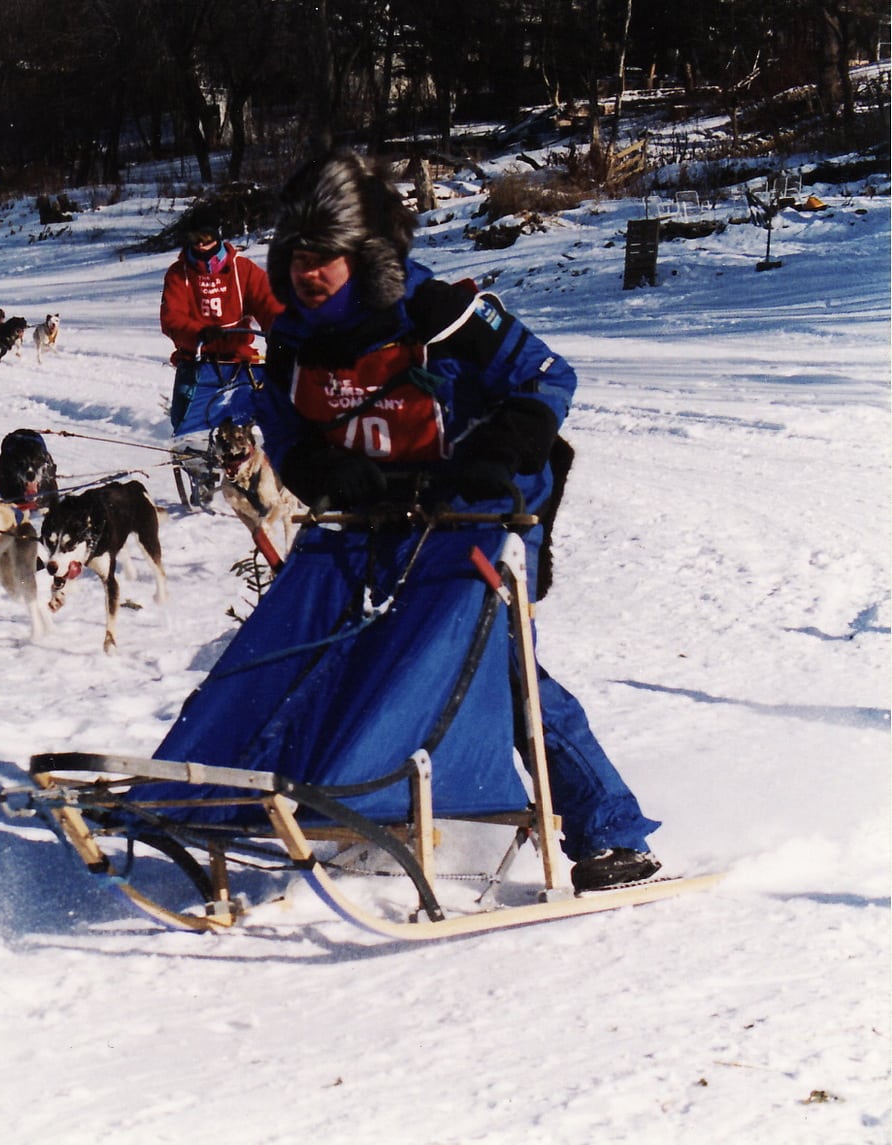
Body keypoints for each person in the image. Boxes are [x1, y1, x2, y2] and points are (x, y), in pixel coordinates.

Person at [156, 152, 661, 893]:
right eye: (295, 255)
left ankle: (610, 831)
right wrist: (322, 470)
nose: (306, 271)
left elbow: (549, 378)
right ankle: (242, 791)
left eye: (323, 255)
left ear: (363, 255)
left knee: (492, 661)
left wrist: (492, 452)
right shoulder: (294, 340)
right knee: (305, 638)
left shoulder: (438, 314)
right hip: (373, 516)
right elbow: (286, 430)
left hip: (483, 513)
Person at [159, 218, 283, 432]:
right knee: (186, 424)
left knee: (261, 418)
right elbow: (172, 318)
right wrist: (198, 333)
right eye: (194, 240)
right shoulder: (179, 274)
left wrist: (279, 331)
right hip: (196, 361)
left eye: (206, 239)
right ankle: (192, 456)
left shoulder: (243, 270)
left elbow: (269, 304)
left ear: (217, 237)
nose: (200, 245)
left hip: (239, 360)